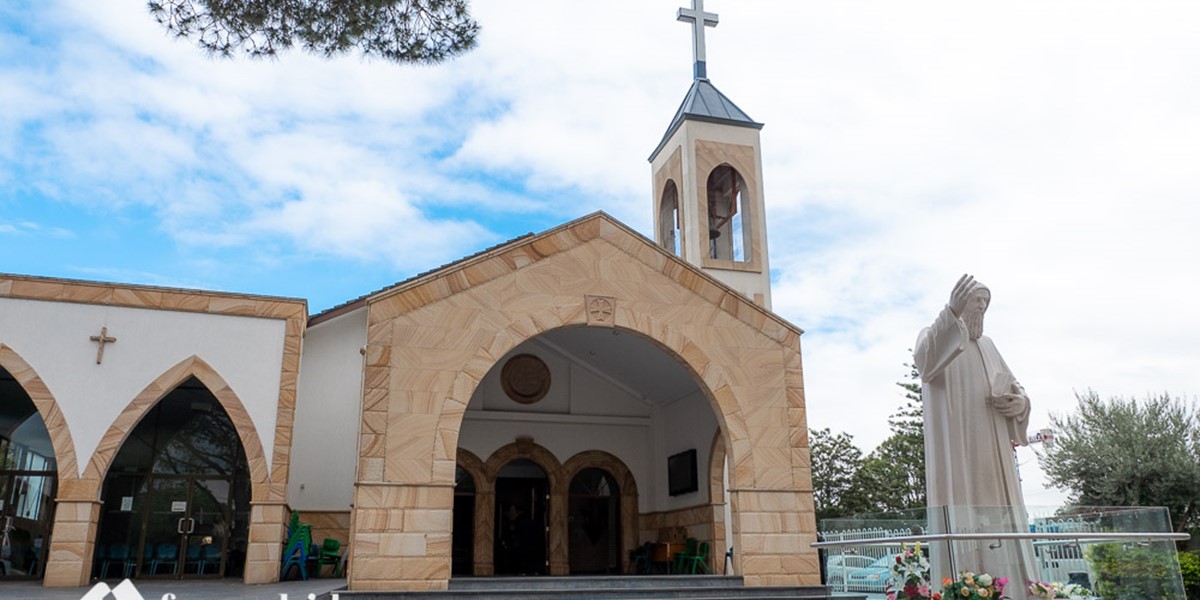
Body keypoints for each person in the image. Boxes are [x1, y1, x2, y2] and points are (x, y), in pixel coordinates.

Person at [913, 274, 1038, 584]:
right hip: (958, 445)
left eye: (986, 301)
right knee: (963, 511)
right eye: (976, 300)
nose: (981, 306)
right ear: (961, 302)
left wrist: (1019, 403)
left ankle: (1014, 586)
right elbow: (925, 363)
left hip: (993, 448)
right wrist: (950, 313)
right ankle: (967, 584)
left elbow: (1016, 386)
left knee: (1000, 513)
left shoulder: (989, 346)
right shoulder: (934, 335)